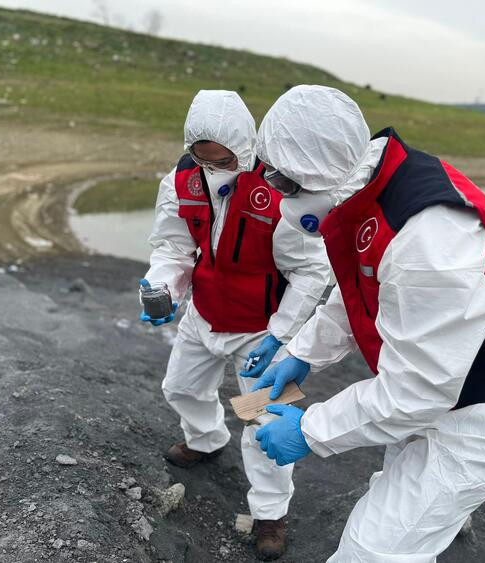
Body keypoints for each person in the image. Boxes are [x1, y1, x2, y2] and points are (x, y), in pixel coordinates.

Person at [243, 85, 485, 562]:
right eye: (269, 176)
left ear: (320, 171)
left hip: (483, 415)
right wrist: (302, 353)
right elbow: (359, 293)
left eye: (285, 183)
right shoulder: (369, 189)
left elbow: (420, 388)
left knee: (372, 550)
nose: (277, 194)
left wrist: (310, 429)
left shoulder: (429, 239)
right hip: (441, 397)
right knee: (405, 515)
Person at [141, 90, 330, 560]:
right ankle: (205, 440)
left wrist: (282, 333)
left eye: (223, 158)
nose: (213, 167)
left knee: (264, 419)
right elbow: (172, 247)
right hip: (204, 313)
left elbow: (312, 270)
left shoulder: (283, 189)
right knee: (180, 387)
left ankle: (270, 515)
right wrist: (161, 286)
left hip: (260, 328)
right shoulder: (181, 181)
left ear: (245, 145)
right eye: (201, 157)